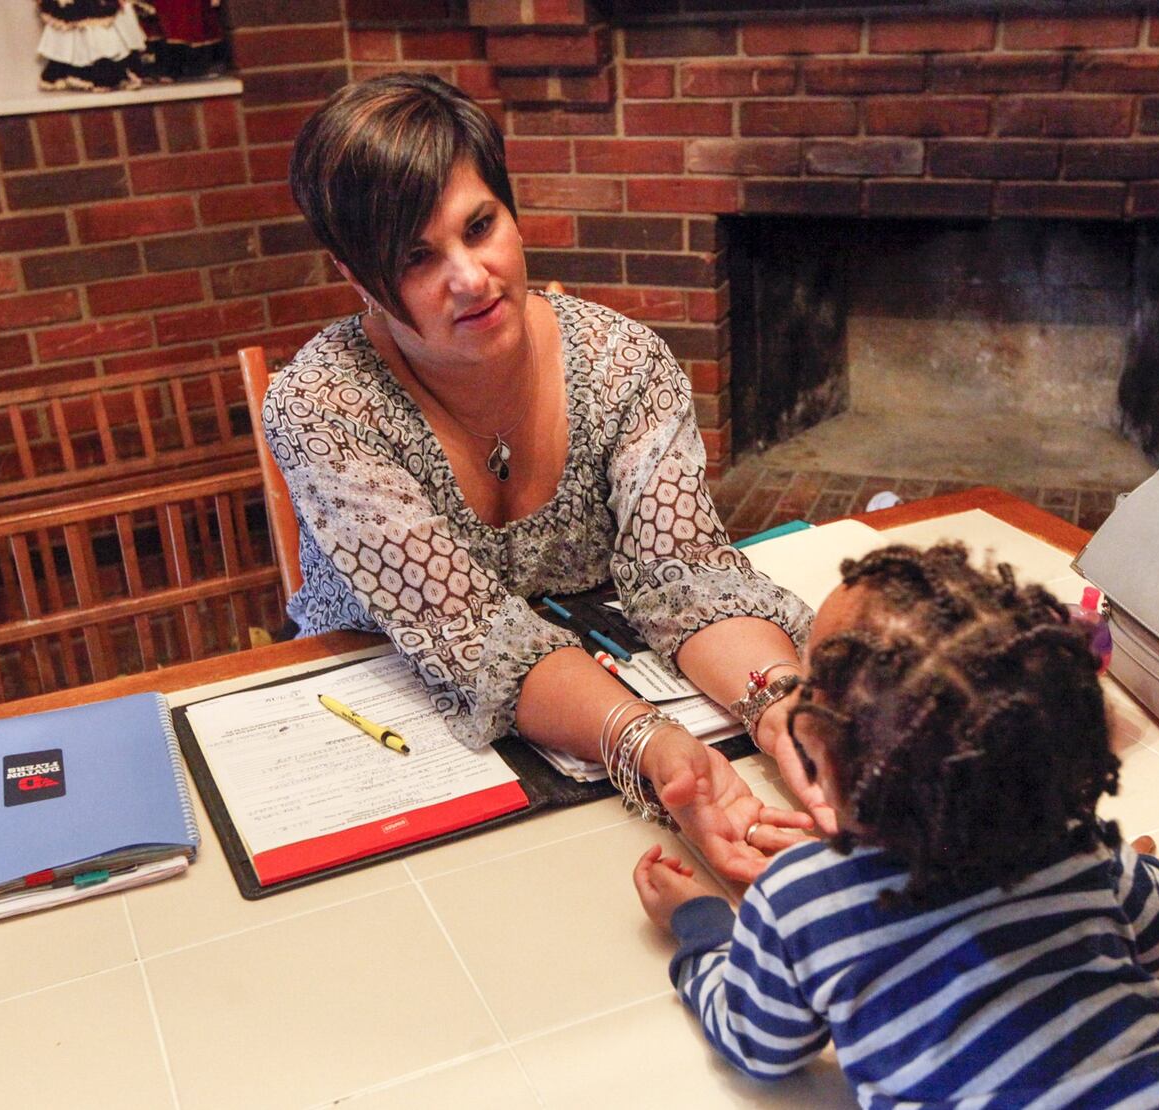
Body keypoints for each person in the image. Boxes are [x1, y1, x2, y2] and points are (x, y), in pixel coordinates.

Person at [263, 72, 825, 882]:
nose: (470, 277)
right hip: (376, 721)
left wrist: (784, 706)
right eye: (417, 258)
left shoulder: (625, 364)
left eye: (480, 226)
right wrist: (652, 744)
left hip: (588, 695)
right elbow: (475, 639)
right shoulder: (322, 405)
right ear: (354, 275)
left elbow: (692, 580)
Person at [633, 543, 1159, 1109]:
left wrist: (703, 927)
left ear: (823, 756)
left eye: (813, 682)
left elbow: (757, 1043)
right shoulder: (1071, 841)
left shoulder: (800, 898)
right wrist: (1127, 871)